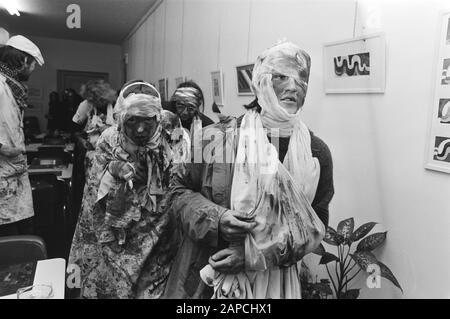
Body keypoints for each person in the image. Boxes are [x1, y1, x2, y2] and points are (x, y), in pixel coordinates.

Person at [162, 41, 334, 299]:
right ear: (260, 82)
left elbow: (316, 224)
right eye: (281, 77)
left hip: (277, 281)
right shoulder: (214, 139)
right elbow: (177, 192)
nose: (292, 87)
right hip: (209, 278)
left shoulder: (315, 153)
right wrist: (216, 219)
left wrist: (256, 254)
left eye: (302, 80)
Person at [69, 84, 179, 299]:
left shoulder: (171, 137)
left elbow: (180, 180)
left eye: (147, 120)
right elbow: (93, 189)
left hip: (157, 232)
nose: (139, 129)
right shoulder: (109, 138)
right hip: (117, 231)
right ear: (121, 119)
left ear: (158, 118)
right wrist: (115, 171)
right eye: (132, 121)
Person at [0, 35, 44, 236]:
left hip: (14, 173)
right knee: (9, 239)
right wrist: (2, 148)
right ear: (24, 61)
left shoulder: (11, 86)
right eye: (33, 64)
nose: (33, 70)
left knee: (22, 233)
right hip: (4, 171)